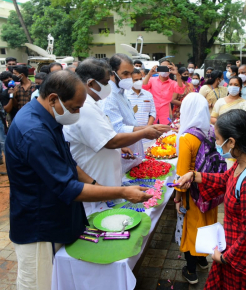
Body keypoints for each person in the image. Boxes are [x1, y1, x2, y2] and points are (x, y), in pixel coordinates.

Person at [5, 70, 152, 290]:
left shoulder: (47, 117)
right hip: (40, 229)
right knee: (38, 284)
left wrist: (96, 186)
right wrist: (122, 192)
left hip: (56, 219)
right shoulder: (34, 131)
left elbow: (69, 162)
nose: (78, 113)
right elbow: (68, 188)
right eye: (75, 108)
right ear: (54, 99)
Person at [176, 109, 246, 289]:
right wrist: (193, 176)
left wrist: (224, 258)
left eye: (218, 140)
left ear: (231, 142)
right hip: (237, 249)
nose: (216, 144)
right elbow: (225, 179)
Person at [63, 59, 160, 215]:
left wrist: (121, 146)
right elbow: (110, 141)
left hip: (104, 183)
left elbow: (105, 135)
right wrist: (144, 132)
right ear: (91, 83)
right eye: (106, 82)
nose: (109, 86)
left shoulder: (94, 102)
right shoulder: (85, 106)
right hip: (94, 184)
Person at [174, 93, 218, 284]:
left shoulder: (186, 138)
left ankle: (190, 271)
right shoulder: (210, 130)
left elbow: (182, 175)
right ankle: (202, 260)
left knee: (191, 229)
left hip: (192, 195)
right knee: (206, 225)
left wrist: (177, 198)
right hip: (209, 188)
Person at [102, 53, 170, 173]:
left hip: (133, 156)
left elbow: (130, 123)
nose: (129, 78)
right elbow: (117, 130)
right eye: (125, 74)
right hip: (123, 160)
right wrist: (144, 132)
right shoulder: (110, 97)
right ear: (112, 73)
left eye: (130, 73)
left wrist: (149, 127)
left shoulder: (122, 92)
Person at [142, 60, 185, 124]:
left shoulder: (172, 83)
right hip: (152, 115)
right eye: (162, 67)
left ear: (170, 70)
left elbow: (181, 90)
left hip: (165, 116)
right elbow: (144, 87)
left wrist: (177, 74)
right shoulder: (152, 80)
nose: (164, 70)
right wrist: (149, 74)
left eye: (166, 68)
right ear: (159, 68)